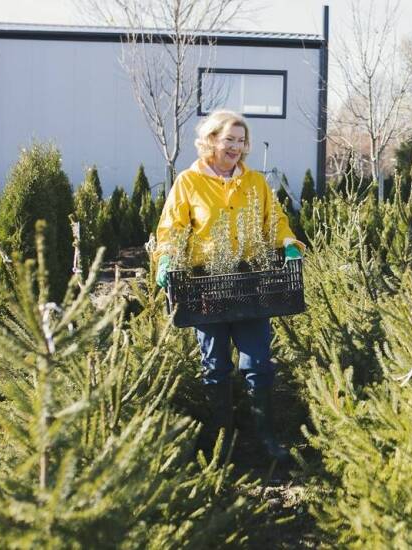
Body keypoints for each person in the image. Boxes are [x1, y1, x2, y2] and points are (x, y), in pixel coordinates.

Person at [153, 110, 304, 462]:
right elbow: (173, 229)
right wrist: (166, 259)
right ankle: (223, 442)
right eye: (229, 140)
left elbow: (274, 220)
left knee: (258, 363)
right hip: (206, 286)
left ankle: (265, 439)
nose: (236, 147)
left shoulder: (255, 183)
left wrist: (288, 242)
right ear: (211, 141)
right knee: (215, 367)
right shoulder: (188, 183)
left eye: (241, 140)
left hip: (250, 283)